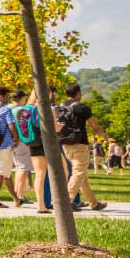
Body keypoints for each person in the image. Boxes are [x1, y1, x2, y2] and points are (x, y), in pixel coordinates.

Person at [56, 83, 108, 211]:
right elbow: (94, 125)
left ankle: (93, 203)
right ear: (78, 93)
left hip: (66, 144)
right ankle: (66, 201)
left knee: (82, 175)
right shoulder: (81, 107)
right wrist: (106, 137)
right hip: (79, 144)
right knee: (79, 172)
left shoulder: (61, 107)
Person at [9, 89, 33, 207]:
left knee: (19, 167)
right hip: (21, 141)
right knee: (22, 168)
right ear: (21, 98)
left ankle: (18, 195)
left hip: (8, 143)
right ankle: (18, 195)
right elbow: (24, 127)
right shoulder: (21, 110)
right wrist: (28, 140)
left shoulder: (6, 108)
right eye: (24, 98)